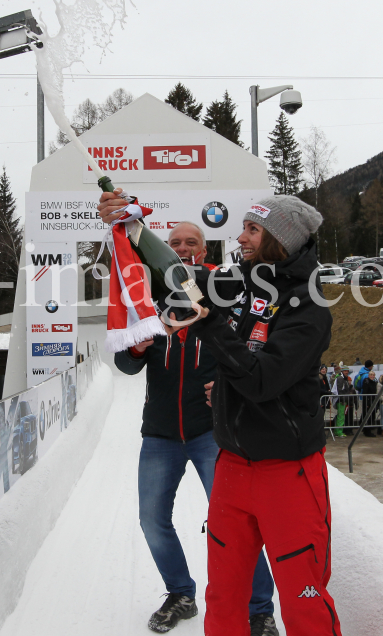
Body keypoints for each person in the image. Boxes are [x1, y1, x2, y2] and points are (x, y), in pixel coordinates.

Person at [155, 195, 341, 636]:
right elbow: (174, 276)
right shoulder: (240, 281)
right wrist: (129, 226)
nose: (240, 237)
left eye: (252, 230)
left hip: (288, 475)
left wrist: (209, 324)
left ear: (280, 238)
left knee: (302, 600)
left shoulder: (308, 308)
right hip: (232, 468)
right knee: (223, 598)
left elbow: (261, 379)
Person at [113, 221, 278, 636]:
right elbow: (125, 363)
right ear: (165, 250)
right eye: (174, 244)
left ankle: (259, 609)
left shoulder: (225, 293)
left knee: (239, 523)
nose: (183, 248)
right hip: (161, 434)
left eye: (192, 242)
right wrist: (136, 346)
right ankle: (181, 594)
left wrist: (226, 385)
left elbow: (250, 354)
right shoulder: (146, 297)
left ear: (205, 250)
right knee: (152, 520)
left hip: (214, 433)